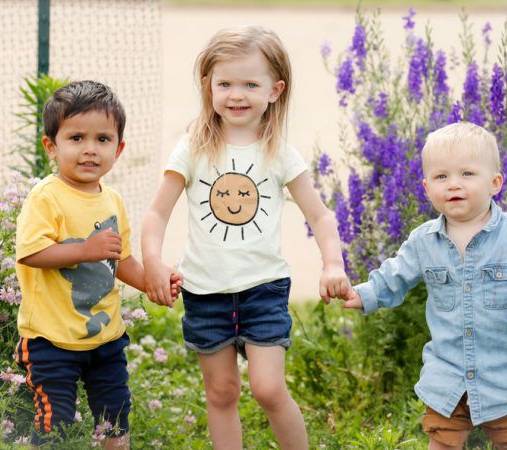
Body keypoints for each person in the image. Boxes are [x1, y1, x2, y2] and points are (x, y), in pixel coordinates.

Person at [142, 26, 349, 449]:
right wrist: (153, 262)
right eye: (226, 84)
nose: (237, 95)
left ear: (275, 90)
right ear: (208, 87)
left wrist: (332, 263)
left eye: (250, 84)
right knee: (222, 393)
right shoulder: (193, 148)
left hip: (263, 290)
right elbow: (157, 213)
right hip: (205, 292)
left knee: (269, 389)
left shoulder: (280, 153)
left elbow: (321, 216)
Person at [342, 122, 507, 450]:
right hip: (447, 374)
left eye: (467, 174)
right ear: (426, 187)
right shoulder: (423, 241)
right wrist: (361, 294)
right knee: (442, 442)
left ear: (495, 183)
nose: (453, 185)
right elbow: (394, 276)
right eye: (441, 176)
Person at [14, 80, 180, 448]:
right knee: (52, 426)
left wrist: (153, 281)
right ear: (51, 147)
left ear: (119, 149)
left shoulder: (113, 200)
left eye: (102, 140)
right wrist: (85, 250)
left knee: (115, 421)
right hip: (50, 340)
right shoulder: (46, 197)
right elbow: (30, 253)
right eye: (76, 138)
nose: (90, 150)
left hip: (105, 339)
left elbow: (119, 260)